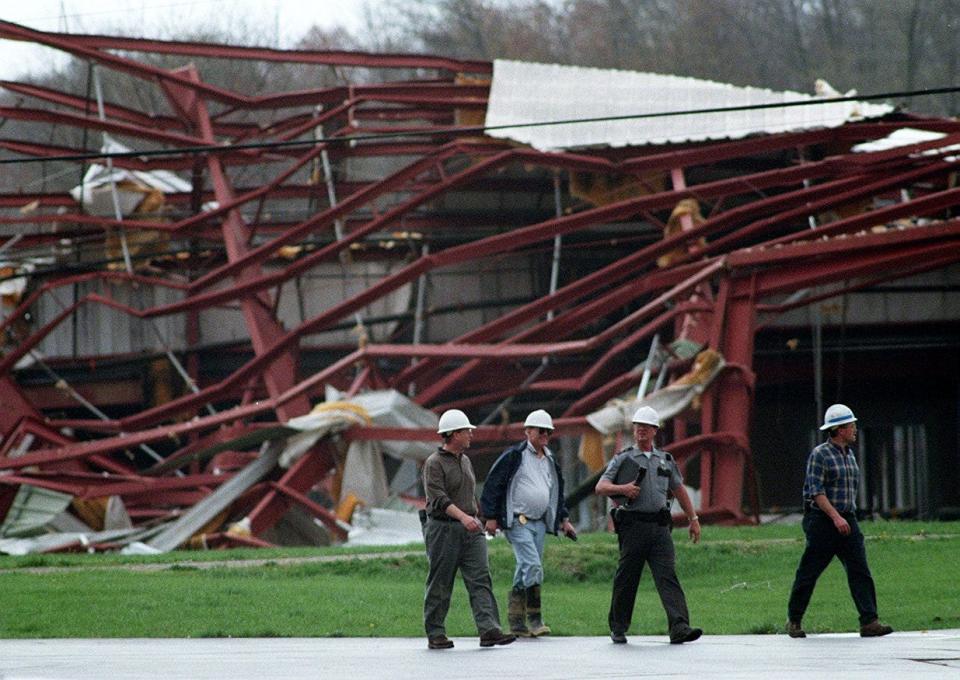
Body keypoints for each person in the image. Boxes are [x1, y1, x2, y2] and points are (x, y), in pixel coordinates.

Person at [594, 405, 703, 645]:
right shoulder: (623, 458)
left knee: (668, 576)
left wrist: (693, 519)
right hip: (633, 526)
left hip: (660, 528)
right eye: (637, 426)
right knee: (627, 578)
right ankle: (618, 627)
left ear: (655, 430)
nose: (641, 430)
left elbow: (679, 489)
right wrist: (623, 489)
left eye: (646, 427)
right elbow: (601, 487)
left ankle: (679, 627)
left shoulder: (665, 460)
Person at [786, 404, 894, 639]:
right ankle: (794, 620)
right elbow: (816, 491)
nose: (855, 429)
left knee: (860, 571)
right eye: (851, 426)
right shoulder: (820, 454)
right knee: (809, 572)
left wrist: (846, 517)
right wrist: (835, 517)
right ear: (839, 429)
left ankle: (869, 621)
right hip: (823, 521)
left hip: (848, 519)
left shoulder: (849, 454)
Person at [421, 408, 516, 650]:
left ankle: (489, 630)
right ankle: (436, 633)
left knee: (481, 578)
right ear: (452, 434)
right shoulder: (434, 464)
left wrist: (481, 518)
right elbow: (439, 499)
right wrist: (464, 518)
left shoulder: (465, 460)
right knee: (441, 582)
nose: (471, 434)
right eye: (466, 431)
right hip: (444, 529)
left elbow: (470, 495)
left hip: (471, 529)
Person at [480, 409, 577, 637]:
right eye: (540, 430)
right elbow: (493, 484)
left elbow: (556, 493)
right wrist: (491, 517)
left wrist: (564, 519)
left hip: (540, 523)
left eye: (548, 431)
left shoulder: (550, 459)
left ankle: (516, 622)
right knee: (533, 566)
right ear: (528, 431)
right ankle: (535, 619)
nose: (544, 434)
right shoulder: (515, 456)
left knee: (524, 567)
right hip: (518, 521)